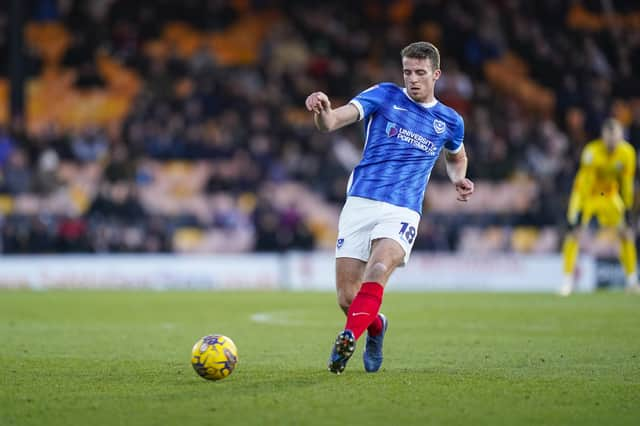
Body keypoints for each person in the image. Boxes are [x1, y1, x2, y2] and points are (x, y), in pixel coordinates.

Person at [304, 41, 474, 374]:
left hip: (403, 210)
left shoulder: (450, 120)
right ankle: (376, 326)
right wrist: (323, 110)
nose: (413, 79)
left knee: (379, 270)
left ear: (436, 74)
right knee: (346, 297)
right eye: (408, 72)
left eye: (420, 73)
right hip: (361, 202)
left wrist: (459, 178)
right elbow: (333, 122)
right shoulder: (383, 95)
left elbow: (458, 156)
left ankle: (346, 340)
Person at [560, 118, 639, 296]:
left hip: (609, 196)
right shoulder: (591, 152)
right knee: (574, 234)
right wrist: (579, 211)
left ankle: (632, 281)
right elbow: (584, 184)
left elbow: (626, 183)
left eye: (615, 137)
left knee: (626, 233)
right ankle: (567, 281)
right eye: (609, 138)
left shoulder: (627, 153)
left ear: (621, 136)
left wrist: (627, 209)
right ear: (603, 137)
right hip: (587, 196)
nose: (612, 142)